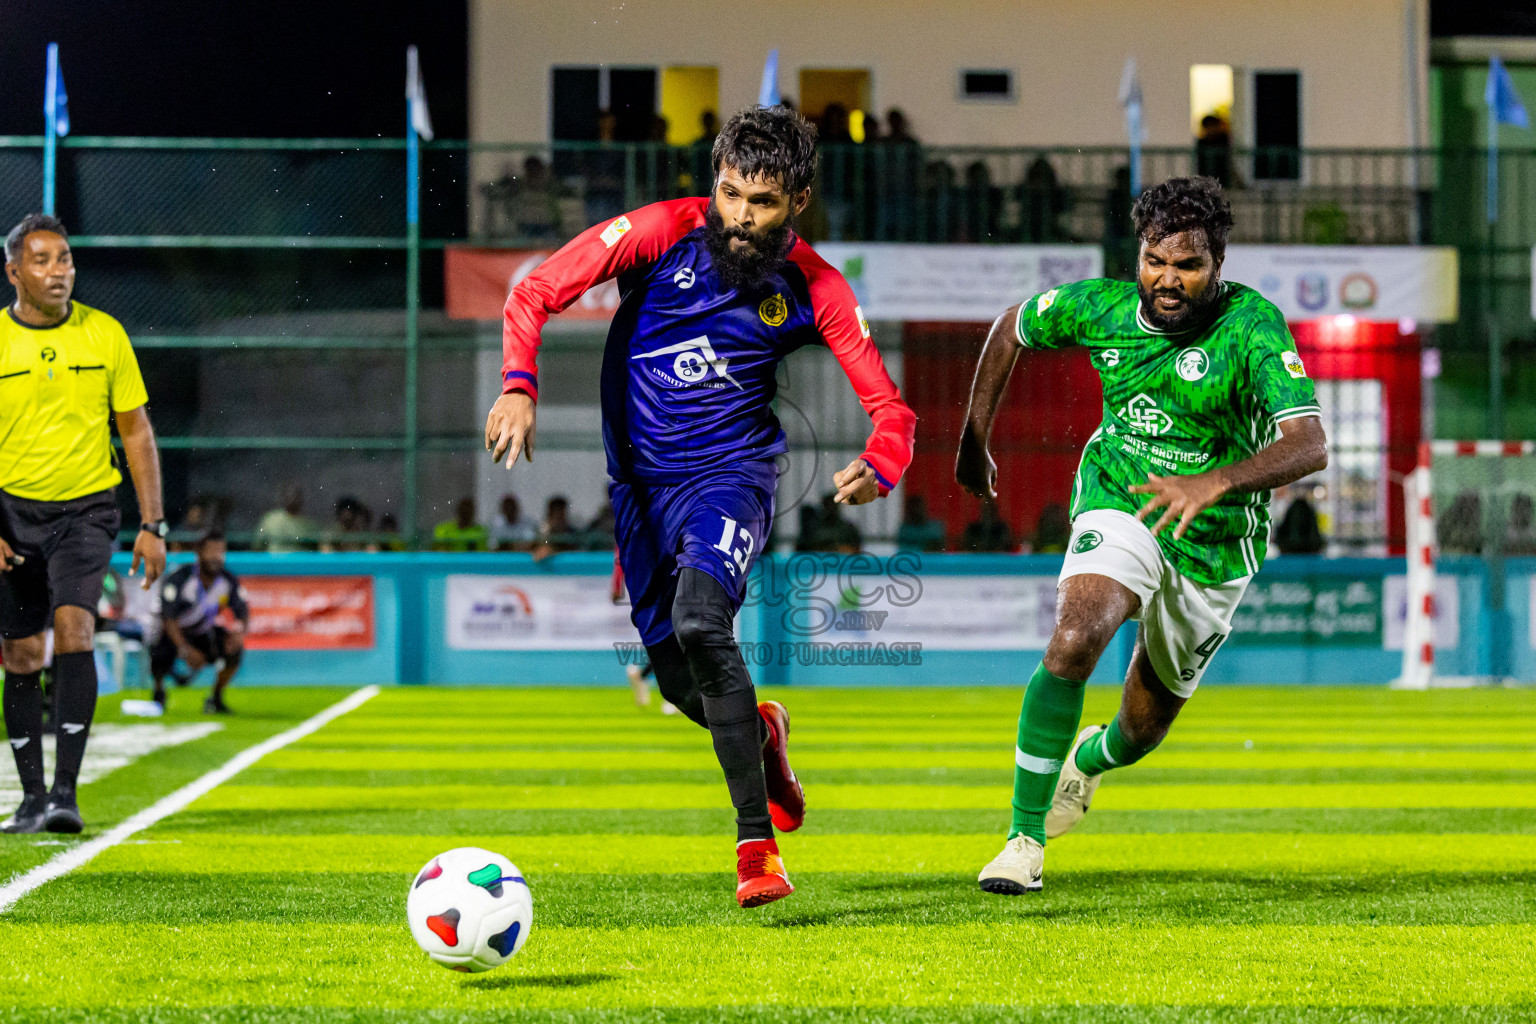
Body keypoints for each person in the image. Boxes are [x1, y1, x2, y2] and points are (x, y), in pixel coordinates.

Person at [485, 104, 915, 907]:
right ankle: (763, 734)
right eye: (730, 195)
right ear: (712, 184)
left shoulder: (815, 285)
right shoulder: (658, 232)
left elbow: (892, 408)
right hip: (641, 488)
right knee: (681, 681)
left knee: (700, 622)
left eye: (763, 203)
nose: (742, 219)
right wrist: (518, 384)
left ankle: (757, 851)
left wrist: (882, 458)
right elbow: (535, 292)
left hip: (733, 473)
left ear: (799, 200)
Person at [956, 176, 1327, 894]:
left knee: (1142, 729)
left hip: (1216, 538)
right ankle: (1021, 841)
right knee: (1075, 637)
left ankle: (1088, 762)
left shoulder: (1252, 326)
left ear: (1218, 264)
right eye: (1155, 260)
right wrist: (974, 435)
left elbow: (1309, 444)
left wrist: (1214, 482)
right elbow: (1012, 326)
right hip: (1121, 493)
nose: (1167, 278)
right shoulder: (1100, 307)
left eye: (1187, 265)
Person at [0, 213, 168, 835]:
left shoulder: (105, 335)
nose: (58, 271)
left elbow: (136, 431)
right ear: (14, 271)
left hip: (86, 509)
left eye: (65, 259)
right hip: (11, 512)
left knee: (74, 625)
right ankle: (30, 798)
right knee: (19, 653)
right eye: (42, 261)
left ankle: (65, 795)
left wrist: (154, 523)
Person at [150, 531, 248, 714]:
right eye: (211, 551)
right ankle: (159, 692)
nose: (216, 557)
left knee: (234, 649)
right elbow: (168, 619)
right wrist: (185, 650)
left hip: (202, 633)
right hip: (174, 634)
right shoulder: (181, 578)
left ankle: (216, 697)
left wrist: (238, 633)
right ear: (199, 553)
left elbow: (242, 610)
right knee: (158, 647)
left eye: (220, 551)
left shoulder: (227, 580)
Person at [255, 484, 313, 552]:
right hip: (274, 561)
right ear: (284, 498)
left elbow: (318, 548)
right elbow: (257, 547)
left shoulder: (309, 525)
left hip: (299, 562)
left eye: (296, 497)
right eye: (290, 496)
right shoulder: (270, 520)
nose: (293, 499)